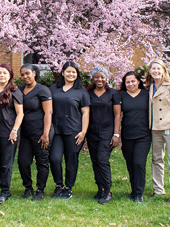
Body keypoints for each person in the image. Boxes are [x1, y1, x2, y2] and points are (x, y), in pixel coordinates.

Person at [49, 61, 90, 199]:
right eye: (68, 71)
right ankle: (59, 185)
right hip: (56, 131)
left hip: (74, 131)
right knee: (54, 158)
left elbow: (85, 112)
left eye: (74, 72)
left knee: (71, 160)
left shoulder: (81, 91)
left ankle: (68, 187)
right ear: (63, 73)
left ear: (77, 74)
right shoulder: (54, 89)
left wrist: (83, 131)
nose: (71, 74)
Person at [146, 59, 170, 205]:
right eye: (153, 69)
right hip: (155, 128)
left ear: (163, 70)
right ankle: (158, 189)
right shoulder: (151, 86)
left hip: (169, 128)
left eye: (158, 69)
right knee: (156, 159)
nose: (156, 71)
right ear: (149, 71)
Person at [0, 63, 24, 204]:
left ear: (10, 76)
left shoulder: (15, 91)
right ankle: (3, 187)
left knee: (6, 163)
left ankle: (5, 191)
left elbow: (20, 113)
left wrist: (14, 131)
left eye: (5, 73)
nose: (2, 75)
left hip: (9, 132)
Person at [18, 64, 54, 201]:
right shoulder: (20, 90)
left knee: (42, 161)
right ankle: (28, 188)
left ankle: (40, 190)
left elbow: (48, 113)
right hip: (26, 134)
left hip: (41, 132)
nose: (25, 77)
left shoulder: (42, 90)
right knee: (23, 161)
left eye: (27, 73)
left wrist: (45, 134)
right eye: (22, 75)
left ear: (34, 73)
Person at [86, 66, 121, 205]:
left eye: (102, 77)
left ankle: (108, 190)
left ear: (106, 78)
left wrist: (116, 134)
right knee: (95, 160)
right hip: (92, 131)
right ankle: (100, 188)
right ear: (93, 78)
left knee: (102, 159)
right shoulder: (88, 93)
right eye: (96, 77)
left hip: (107, 131)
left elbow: (118, 114)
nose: (99, 79)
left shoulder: (113, 93)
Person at [119, 71, 152, 203]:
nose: (131, 84)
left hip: (143, 135)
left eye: (133, 81)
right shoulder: (122, 96)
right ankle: (133, 191)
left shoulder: (146, 95)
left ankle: (139, 193)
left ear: (138, 82)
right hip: (127, 135)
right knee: (130, 164)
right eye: (128, 82)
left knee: (139, 163)